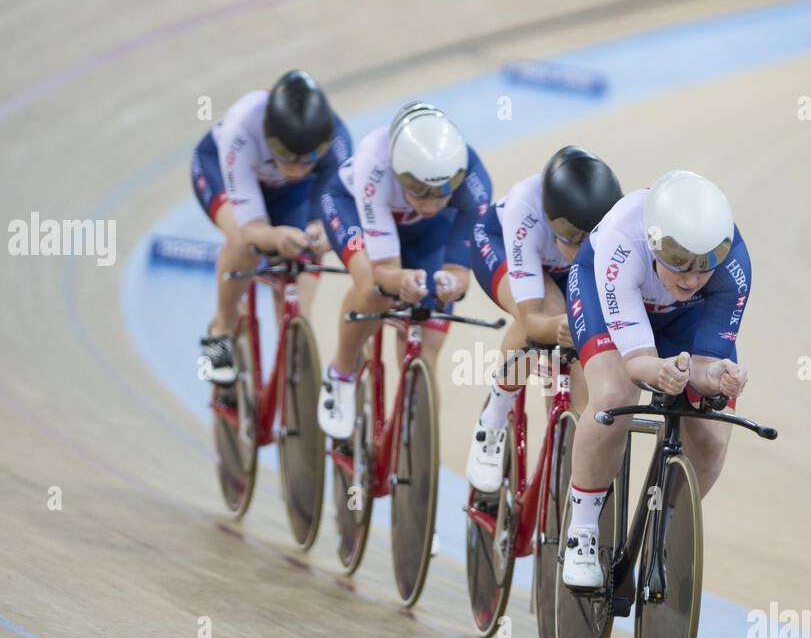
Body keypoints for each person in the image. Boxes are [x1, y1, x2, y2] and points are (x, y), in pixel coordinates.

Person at [560, 170, 752, 588]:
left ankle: (665, 531)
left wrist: (717, 375)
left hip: (681, 318)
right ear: (653, 243)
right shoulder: (621, 243)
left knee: (713, 434)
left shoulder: (734, 266)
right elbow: (638, 362)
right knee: (614, 394)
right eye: (678, 261)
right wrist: (661, 372)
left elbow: (704, 365)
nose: (690, 277)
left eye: (704, 267)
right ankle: (583, 529)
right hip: (604, 294)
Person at [316, 100, 492, 439]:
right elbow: (385, 271)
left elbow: (459, 271)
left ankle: (413, 444)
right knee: (374, 290)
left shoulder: (473, 181)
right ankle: (340, 372)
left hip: (427, 233)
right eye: (420, 192)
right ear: (399, 172)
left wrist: (451, 284)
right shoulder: (375, 165)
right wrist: (400, 281)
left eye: (443, 193)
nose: (432, 202)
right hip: (353, 208)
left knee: (427, 341)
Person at [462, 146, 622, 493]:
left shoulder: (614, 224)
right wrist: (557, 327)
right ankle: (492, 420)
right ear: (552, 223)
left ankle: (562, 456)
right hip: (501, 246)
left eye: (591, 238)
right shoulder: (525, 210)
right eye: (573, 239)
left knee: (581, 373)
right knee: (545, 317)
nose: (584, 248)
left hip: (562, 270)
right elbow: (533, 318)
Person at [191, 70, 351, 385]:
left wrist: (322, 234)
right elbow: (251, 227)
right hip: (221, 173)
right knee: (245, 243)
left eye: (308, 161)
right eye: (288, 158)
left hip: (288, 193)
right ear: (269, 139)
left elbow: (337, 209)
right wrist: (273, 236)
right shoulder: (241, 130)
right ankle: (221, 331)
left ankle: (293, 373)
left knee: (301, 268)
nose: (297, 168)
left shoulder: (338, 140)